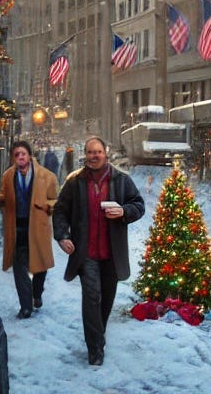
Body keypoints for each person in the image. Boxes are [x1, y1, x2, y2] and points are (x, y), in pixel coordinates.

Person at [52, 135, 145, 366]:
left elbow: (139, 205)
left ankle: (98, 334)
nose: (94, 156)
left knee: (106, 299)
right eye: (90, 152)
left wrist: (123, 211)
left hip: (112, 254)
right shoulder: (75, 182)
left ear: (106, 153)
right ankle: (95, 349)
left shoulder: (121, 180)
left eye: (98, 152)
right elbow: (60, 211)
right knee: (91, 297)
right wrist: (63, 236)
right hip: (86, 254)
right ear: (86, 155)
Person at [0, 140, 58, 318]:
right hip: (17, 227)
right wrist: (1, 199)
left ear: (29, 156)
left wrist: (47, 205)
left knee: (40, 265)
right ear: (13, 158)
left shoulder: (47, 176)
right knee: (19, 267)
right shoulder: (8, 176)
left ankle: (36, 294)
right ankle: (26, 306)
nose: (20, 157)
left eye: (23, 153)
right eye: (16, 154)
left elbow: (55, 200)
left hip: (38, 226)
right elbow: (3, 193)